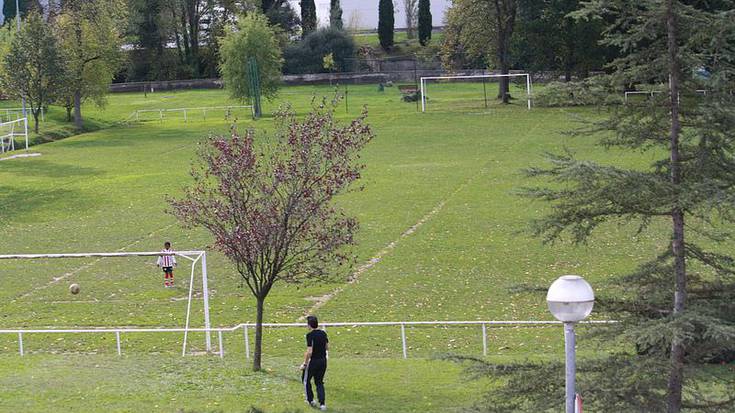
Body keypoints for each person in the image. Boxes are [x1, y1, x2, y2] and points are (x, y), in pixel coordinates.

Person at [301, 315, 328, 411]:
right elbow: (327, 347)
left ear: (309, 325)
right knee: (319, 382)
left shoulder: (310, 335)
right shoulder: (323, 333)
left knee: (305, 380)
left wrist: (304, 364)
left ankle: (310, 400)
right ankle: (322, 404)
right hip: (323, 361)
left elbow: (309, 351)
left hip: (314, 362)